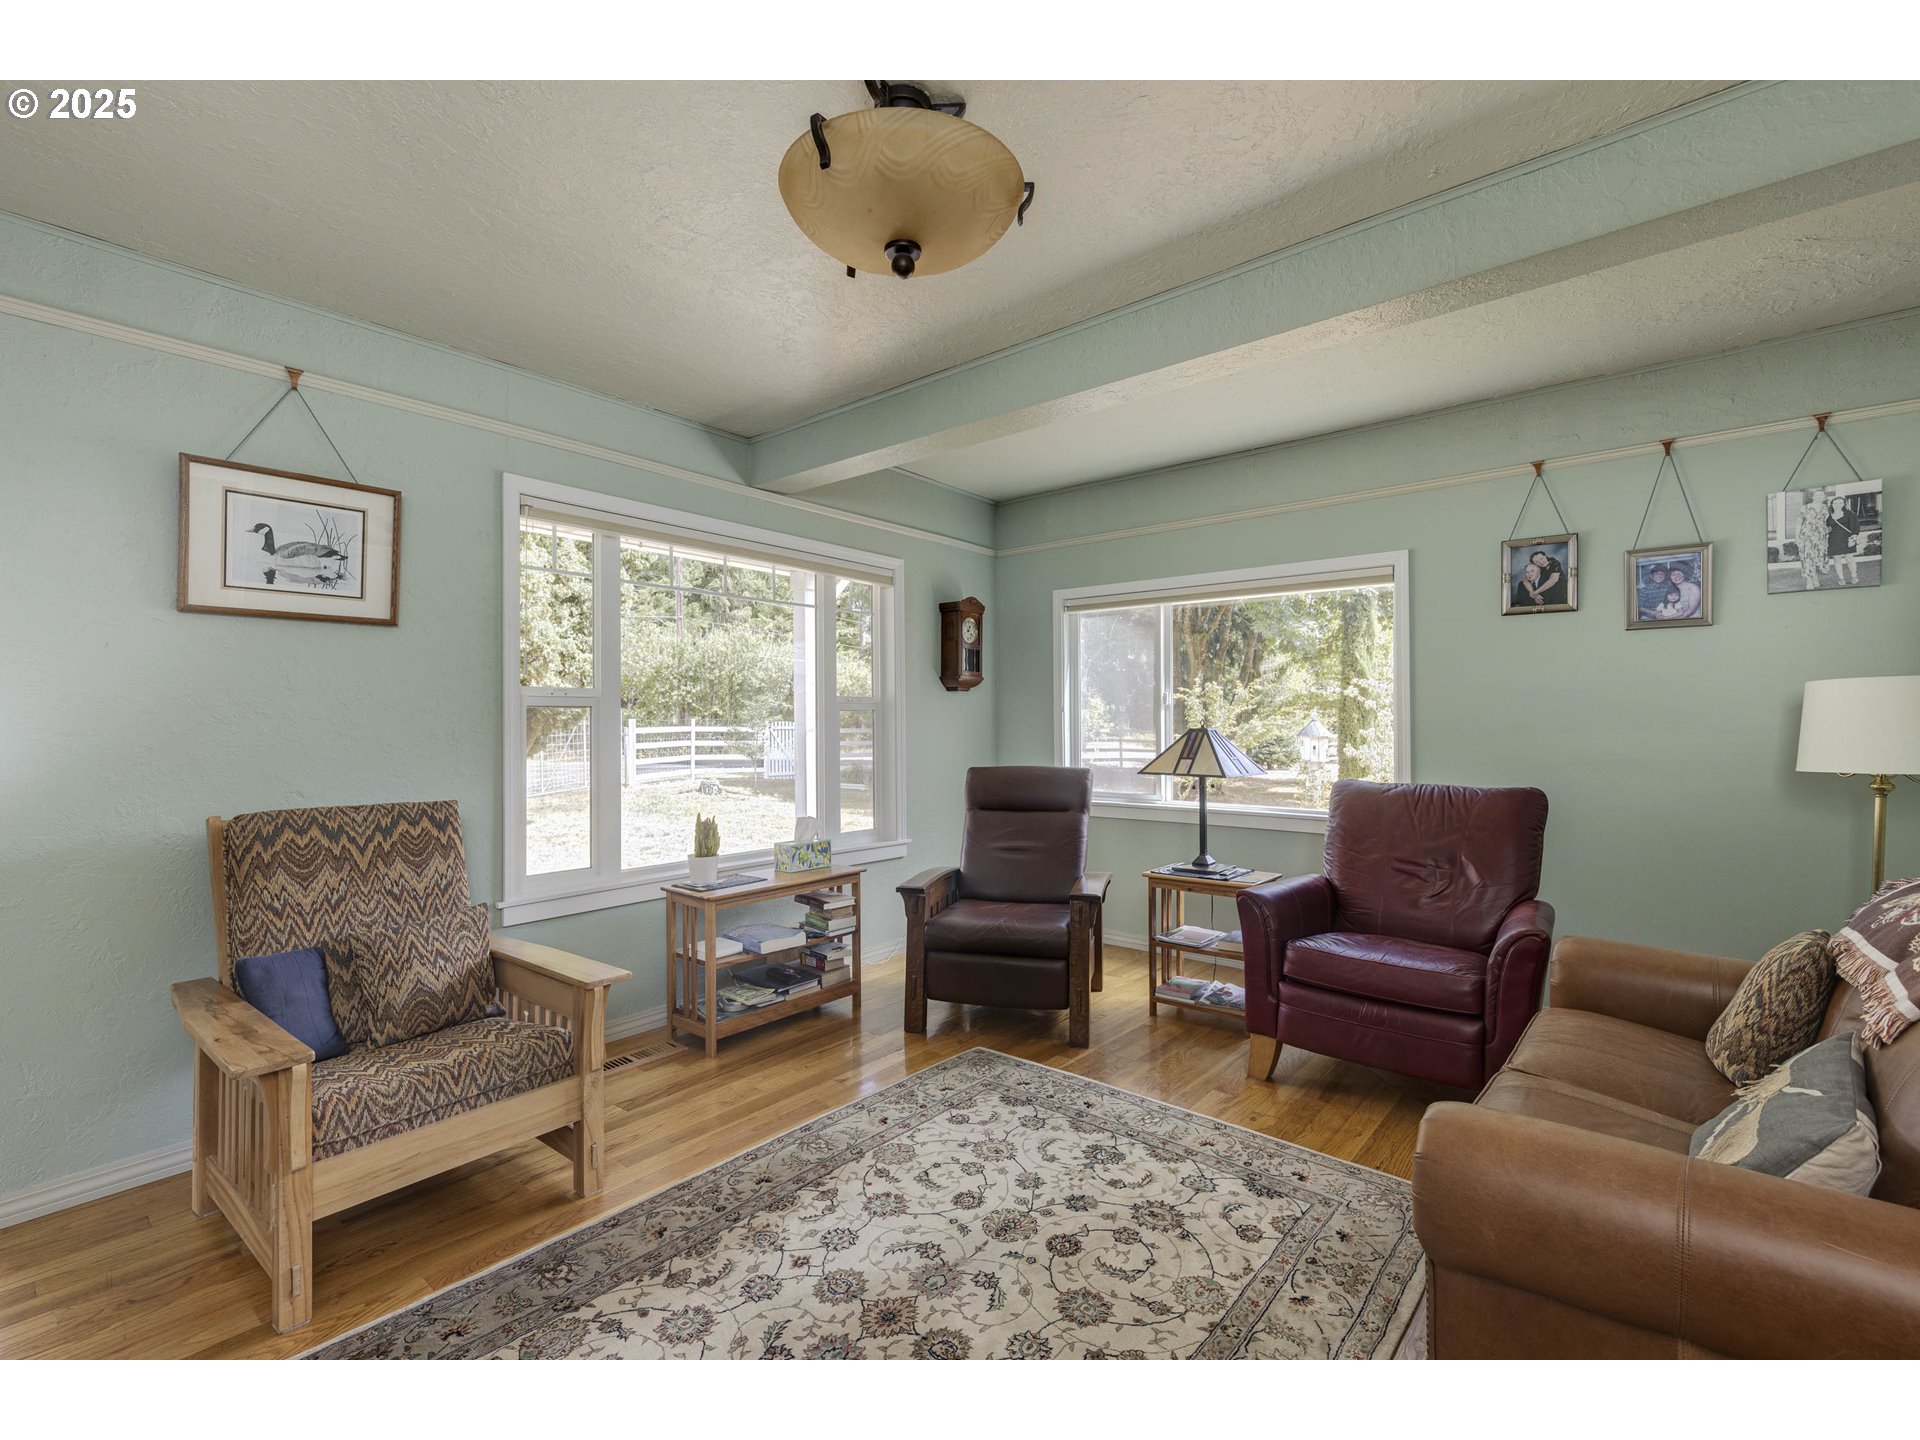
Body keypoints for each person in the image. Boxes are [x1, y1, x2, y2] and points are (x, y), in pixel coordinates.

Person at [1827, 495, 1864, 585]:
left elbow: (1855, 527)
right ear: (1831, 504)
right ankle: (1841, 578)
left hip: (1847, 539)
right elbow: (1827, 528)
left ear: (1844, 504)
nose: (1838, 505)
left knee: (1849, 559)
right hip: (1834, 540)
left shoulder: (1850, 513)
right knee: (1837, 560)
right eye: (1835, 503)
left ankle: (1854, 576)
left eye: (1840, 503)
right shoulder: (1828, 515)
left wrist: (1853, 538)